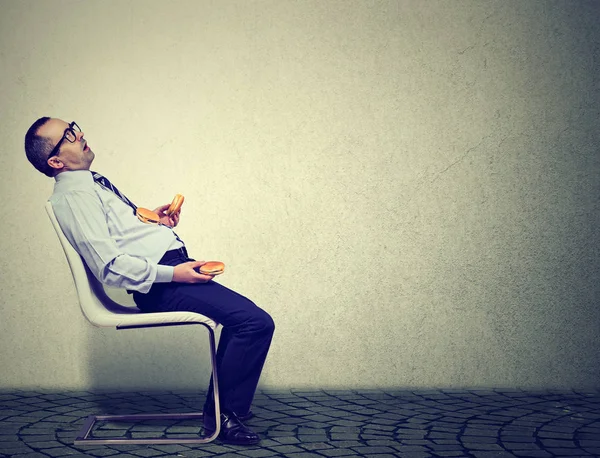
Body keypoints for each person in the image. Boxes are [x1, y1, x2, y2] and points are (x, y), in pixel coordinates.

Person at [24, 117, 275, 446]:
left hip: (168, 273)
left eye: (75, 126)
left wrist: (156, 220)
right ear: (55, 161)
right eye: (69, 136)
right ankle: (223, 416)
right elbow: (109, 266)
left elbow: (117, 233)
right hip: (160, 284)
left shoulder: (88, 185)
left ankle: (226, 407)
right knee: (254, 322)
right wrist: (176, 273)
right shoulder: (74, 197)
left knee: (245, 320)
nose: (80, 134)